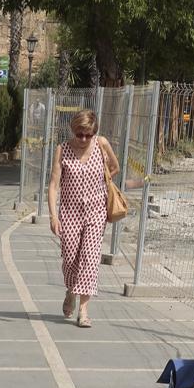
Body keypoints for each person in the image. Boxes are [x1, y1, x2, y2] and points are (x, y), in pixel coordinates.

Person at [47, 109, 119, 328]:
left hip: (96, 211)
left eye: (88, 134)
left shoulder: (101, 144)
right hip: (70, 212)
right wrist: (52, 215)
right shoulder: (63, 150)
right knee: (70, 259)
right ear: (73, 130)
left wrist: (102, 182)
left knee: (90, 258)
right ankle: (70, 290)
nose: (84, 139)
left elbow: (115, 168)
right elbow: (53, 184)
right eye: (80, 134)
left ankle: (84, 310)